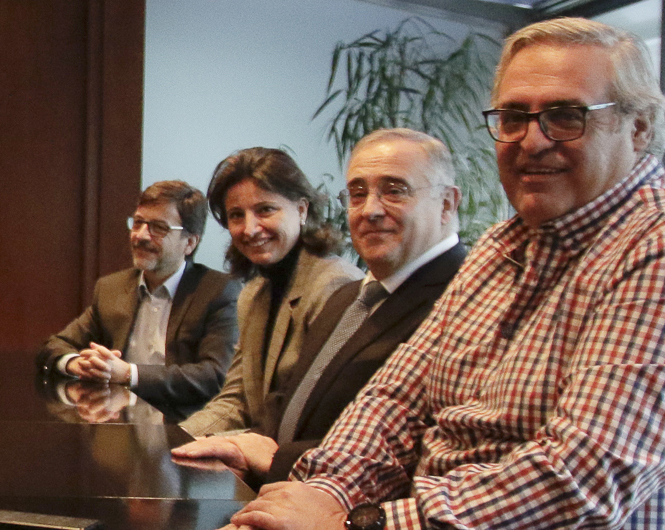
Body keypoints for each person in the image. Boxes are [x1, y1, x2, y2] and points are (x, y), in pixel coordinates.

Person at [232, 18, 665, 530]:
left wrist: (360, 523)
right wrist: (323, 494)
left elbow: (583, 479)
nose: (533, 140)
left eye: (566, 116)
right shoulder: (504, 245)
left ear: (639, 129)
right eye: (514, 117)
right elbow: (396, 399)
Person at [174, 129, 465, 486]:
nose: (370, 210)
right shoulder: (351, 298)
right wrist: (200, 445)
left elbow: (437, 453)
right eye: (358, 194)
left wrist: (276, 459)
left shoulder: (465, 300)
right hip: (285, 489)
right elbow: (281, 405)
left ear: (447, 204)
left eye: (394, 190)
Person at [179, 148, 360, 440]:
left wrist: (203, 446)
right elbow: (237, 401)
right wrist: (174, 440)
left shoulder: (335, 286)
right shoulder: (253, 294)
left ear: (302, 210)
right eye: (236, 215)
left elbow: (310, 420)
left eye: (265, 210)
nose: (250, 229)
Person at [38, 180, 241, 411]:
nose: (141, 236)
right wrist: (77, 364)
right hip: (119, 420)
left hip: (183, 423)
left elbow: (215, 375)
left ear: (190, 243)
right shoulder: (112, 288)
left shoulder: (218, 291)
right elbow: (54, 345)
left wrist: (129, 373)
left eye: (159, 228)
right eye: (138, 223)